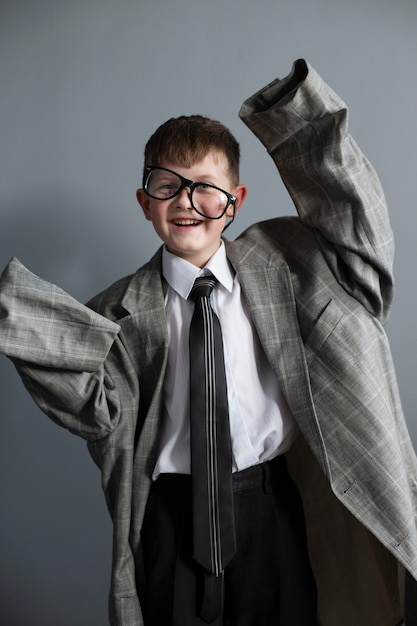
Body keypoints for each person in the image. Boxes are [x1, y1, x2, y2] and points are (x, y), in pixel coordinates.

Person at [0, 58, 416, 626]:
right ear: (145, 202)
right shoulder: (113, 315)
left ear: (235, 201)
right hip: (171, 522)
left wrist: (300, 115)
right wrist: (14, 311)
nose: (186, 202)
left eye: (205, 188)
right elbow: (96, 413)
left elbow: (362, 238)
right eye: (166, 186)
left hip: (274, 509)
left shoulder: (294, 268)